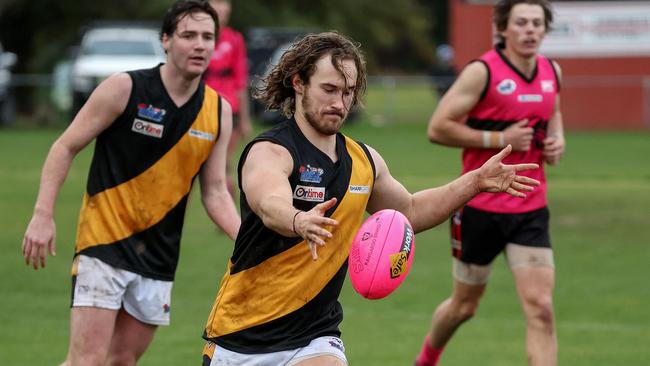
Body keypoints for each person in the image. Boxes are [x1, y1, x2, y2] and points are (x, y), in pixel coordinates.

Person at [200, 31, 541, 366]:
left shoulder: (364, 162)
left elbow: (411, 210)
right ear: (298, 83)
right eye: (329, 89)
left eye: (348, 92)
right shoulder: (271, 150)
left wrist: (475, 181)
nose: (339, 103)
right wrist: (297, 219)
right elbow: (268, 202)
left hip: (314, 336)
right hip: (241, 334)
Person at [21, 1, 240, 365]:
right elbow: (65, 147)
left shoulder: (218, 111)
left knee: (121, 361)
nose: (200, 45)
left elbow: (215, 191)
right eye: (189, 36)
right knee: (86, 361)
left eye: (207, 37)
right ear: (166, 41)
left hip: (159, 255)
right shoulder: (125, 88)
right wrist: (43, 215)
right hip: (103, 244)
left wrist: (248, 240)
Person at [415, 1, 565, 365]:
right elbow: (438, 128)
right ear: (503, 29)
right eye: (522, 23)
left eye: (536, 23)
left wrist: (559, 138)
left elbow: (553, 110)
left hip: (530, 207)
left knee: (541, 308)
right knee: (464, 307)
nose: (530, 30)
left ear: (545, 30)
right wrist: (499, 140)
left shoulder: (552, 71)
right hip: (480, 207)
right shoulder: (482, 72)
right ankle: (426, 360)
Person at [204, 0, 252, 195]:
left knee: (223, 166)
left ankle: (230, 222)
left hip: (228, 108)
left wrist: (245, 119)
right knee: (189, 167)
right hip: (200, 108)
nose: (223, 9)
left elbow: (241, 80)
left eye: (225, 4)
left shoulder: (234, 39)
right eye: (217, 3)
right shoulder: (197, 37)